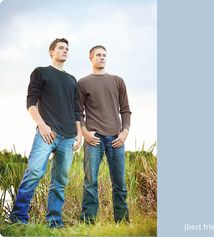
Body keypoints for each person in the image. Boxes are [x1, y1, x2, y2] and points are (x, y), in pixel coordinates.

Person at [9, 38, 82, 228]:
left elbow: (76, 110)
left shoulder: (72, 79)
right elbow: (31, 102)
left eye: (67, 48)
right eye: (61, 48)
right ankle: (18, 218)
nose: (65, 50)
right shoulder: (41, 72)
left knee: (60, 181)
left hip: (68, 136)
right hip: (46, 132)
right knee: (34, 172)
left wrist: (79, 133)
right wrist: (42, 125)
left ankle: (54, 222)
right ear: (51, 52)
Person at [78, 45, 131, 224]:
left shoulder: (117, 81)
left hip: (116, 138)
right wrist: (84, 132)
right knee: (90, 183)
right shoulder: (83, 82)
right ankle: (87, 224)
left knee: (120, 184)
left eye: (104, 55)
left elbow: (125, 110)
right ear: (90, 57)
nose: (102, 57)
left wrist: (124, 132)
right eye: (98, 55)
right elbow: (78, 111)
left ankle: (123, 224)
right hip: (94, 139)